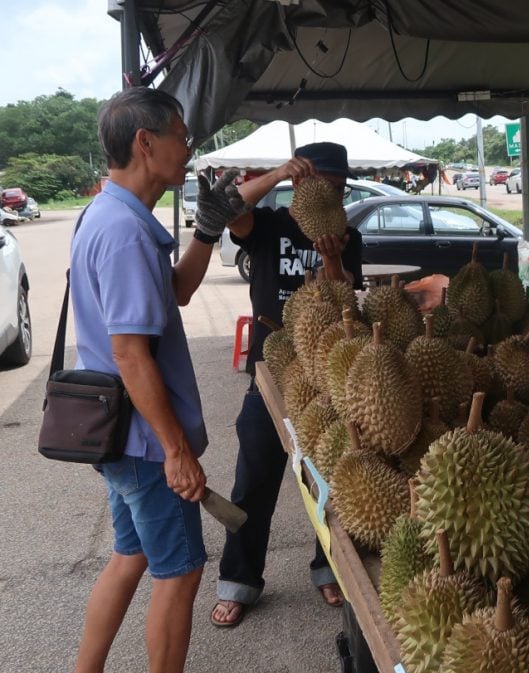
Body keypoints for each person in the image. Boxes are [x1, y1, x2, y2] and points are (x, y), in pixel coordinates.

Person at [72, 87, 213, 673]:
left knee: (129, 556)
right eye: (182, 135)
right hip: (147, 442)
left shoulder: (107, 214)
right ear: (145, 142)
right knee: (179, 573)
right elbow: (131, 356)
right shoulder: (127, 233)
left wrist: (208, 228)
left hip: (119, 436)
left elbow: (175, 293)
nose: (189, 147)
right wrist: (176, 451)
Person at [209, 143, 364, 628]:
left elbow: (346, 307)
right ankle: (239, 581)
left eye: (340, 190)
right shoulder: (270, 225)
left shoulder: (346, 235)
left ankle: (328, 568)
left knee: (331, 481)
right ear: (302, 183)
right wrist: (277, 172)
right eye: (325, 187)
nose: (334, 199)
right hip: (271, 373)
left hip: (324, 378)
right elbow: (227, 207)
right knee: (253, 479)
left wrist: (333, 262)